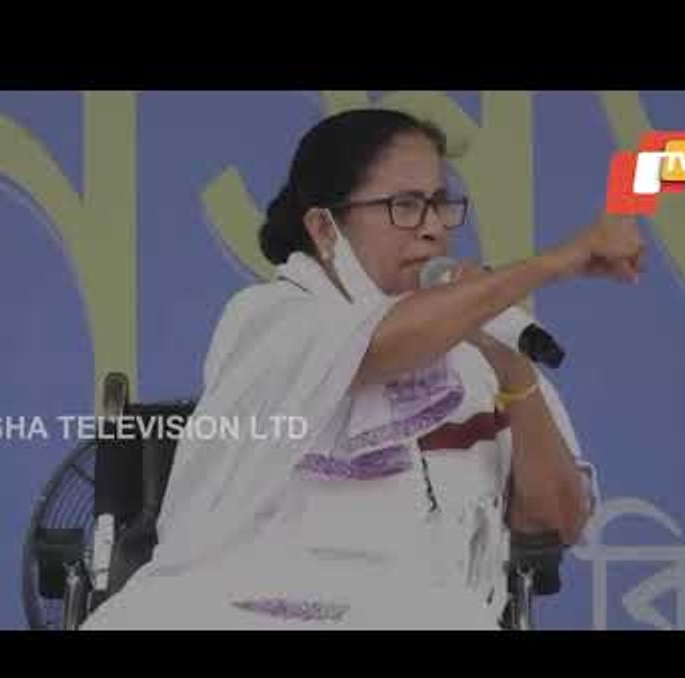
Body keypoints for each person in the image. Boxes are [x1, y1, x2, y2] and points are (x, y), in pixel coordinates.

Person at [82, 108, 644, 630]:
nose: (433, 228)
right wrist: (556, 261)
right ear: (325, 229)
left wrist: (511, 367)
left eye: (441, 203)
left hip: (418, 608)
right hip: (235, 602)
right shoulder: (273, 317)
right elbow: (380, 346)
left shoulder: (480, 347)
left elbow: (556, 523)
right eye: (404, 205)